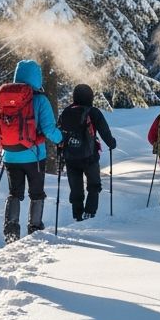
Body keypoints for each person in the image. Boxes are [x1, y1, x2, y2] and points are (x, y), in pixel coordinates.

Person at [0, 60, 62, 242]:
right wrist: (60, 139)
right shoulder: (40, 100)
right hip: (34, 156)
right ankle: (34, 228)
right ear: (37, 77)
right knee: (36, 192)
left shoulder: (5, 97)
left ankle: (11, 229)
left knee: (14, 192)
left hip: (10, 155)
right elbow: (49, 129)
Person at [58, 83, 118, 221]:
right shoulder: (94, 112)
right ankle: (90, 212)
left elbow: (59, 132)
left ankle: (77, 215)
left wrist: (60, 150)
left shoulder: (67, 112)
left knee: (76, 187)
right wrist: (111, 143)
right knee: (94, 184)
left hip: (70, 156)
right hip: (89, 156)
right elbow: (104, 131)